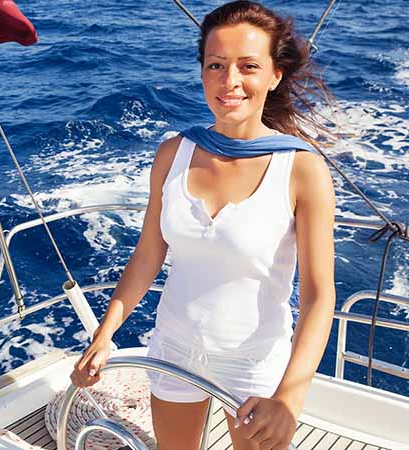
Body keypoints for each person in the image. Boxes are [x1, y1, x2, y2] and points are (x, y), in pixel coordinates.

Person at [70, 1, 336, 449]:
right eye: (216, 65)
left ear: (275, 76)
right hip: (173, 349)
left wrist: (290, 395)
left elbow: (318, 294)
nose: (229, 81)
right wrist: (105, 333)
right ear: (202, 71)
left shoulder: (302, 169)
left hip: (253, 364)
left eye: (248, 66)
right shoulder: (174, 153)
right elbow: (148, 253)